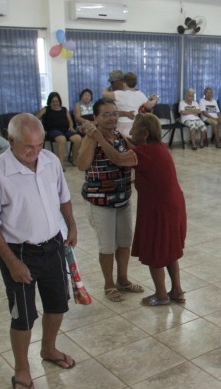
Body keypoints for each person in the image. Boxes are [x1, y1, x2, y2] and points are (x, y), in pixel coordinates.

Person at [0, 113, 78, 389]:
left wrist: (71, 225)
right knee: (23, 316)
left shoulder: (50, 161)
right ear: (10, 141)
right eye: (28, 147)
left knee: (58, 305)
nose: (35, 153)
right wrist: (12, 261)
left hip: (54, 246)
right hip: (20, 252)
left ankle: (48, 348)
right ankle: (22, 367)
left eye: (39, 145)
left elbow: (63, 197)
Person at [83, 113, 186, 306]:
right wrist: (122, 138)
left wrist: (98, 137)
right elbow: (134, 147)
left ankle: (161, 295)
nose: (129, 132)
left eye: (134, 129)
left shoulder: (143, 153)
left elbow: (117, 158)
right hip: (173, 206)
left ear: (145, 133)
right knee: (169, 250)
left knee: (156, 251)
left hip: (158, 209)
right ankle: (177, 291)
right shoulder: (158, 147)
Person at [76, 99, 143, 301]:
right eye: (106, 114)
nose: (112, 118)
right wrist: (93, 136)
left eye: (114, 113)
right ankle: (109, 284)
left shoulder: (118, 135)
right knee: (107, 246)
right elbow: (81, 165)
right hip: (100, 201)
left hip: (123, 198)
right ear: (95, 117)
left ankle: (123, 279)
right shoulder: (91, 138)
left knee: (124, 242)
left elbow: (138, 152)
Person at [103, 72, 158, 137]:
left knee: (123, 143)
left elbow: (104, 93)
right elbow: (150, 105)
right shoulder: (140, 94)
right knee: (132, 142)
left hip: (121, 124)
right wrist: (155, 99)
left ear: (124, 83)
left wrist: (107, 89)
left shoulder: (118, 94)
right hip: (134, 124)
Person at [36, 92, 82, 168]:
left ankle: (74, 160)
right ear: (49, 101)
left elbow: (70, 120)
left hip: (65, 130)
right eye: (53, 101)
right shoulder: (46, 109)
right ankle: (60, 164)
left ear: (59, 101)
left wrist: (71, 126)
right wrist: (41, 129)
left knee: (78, 138)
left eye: (57, 101)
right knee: (62, 139)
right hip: (52, 130)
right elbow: (36, 118)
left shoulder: (64, 109)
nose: (55, 103)